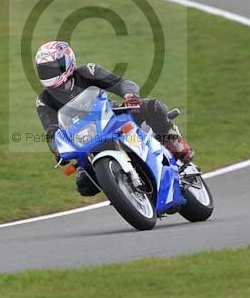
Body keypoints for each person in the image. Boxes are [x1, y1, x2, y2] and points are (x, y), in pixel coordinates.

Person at [34, 40, 194, 197]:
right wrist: (56, 148)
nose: (49, 74)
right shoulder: (44, 100)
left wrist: (130, 96)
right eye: (44, 70)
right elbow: (51, 129)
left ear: (67, 61)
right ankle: (123, 191)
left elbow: (121, 83)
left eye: (52, 69)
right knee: (84, 185)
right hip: (85, 139)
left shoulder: (87, 72)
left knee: (153, 107)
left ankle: (177, 147)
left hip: (113, 117)